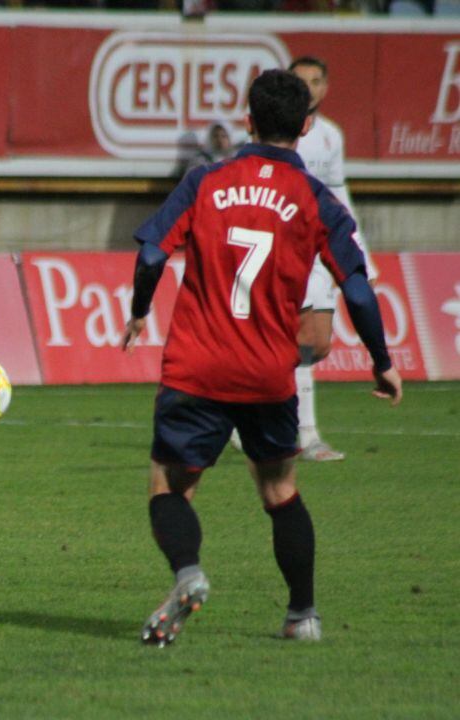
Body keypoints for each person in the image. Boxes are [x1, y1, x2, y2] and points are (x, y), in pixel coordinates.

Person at [121, 69, 402, 647]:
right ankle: (302, 616)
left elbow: (152, 251)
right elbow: (354, 286)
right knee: (280, 491)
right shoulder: (314, 198)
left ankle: (188, 573)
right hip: (270, 371)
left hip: (197, 366)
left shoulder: (205, 181)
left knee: (170, 489)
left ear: (247, 120)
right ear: (305, 126)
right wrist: (381, 359)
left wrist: (139, 309)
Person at [288, 56, 378, 461]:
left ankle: (243, 413)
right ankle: (306, 435)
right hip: (291, 248)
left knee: (319, 345)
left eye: (315, 80)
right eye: (300, 81)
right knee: (306, 341)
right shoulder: (281, 131)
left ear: (326, 87)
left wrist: (362, 256)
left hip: (324, 249)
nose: (308, 87)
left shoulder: (330, 136)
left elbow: (340, 197)